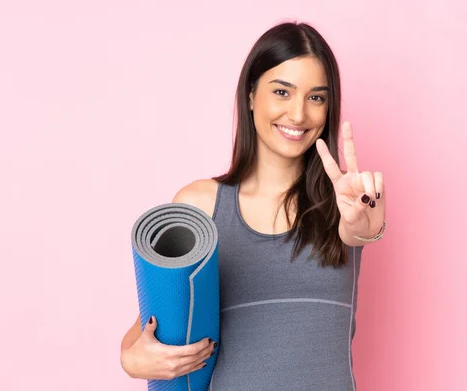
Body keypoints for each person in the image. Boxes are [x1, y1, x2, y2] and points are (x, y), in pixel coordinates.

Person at [120, 21, 386, 390]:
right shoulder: (200, 205)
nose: (298, 115)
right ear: (250, 95)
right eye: (282, 92)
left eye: (316, 97)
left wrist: (367, 223)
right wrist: (132, 359)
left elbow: (359, 230)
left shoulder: (344, 200)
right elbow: (147, 331)